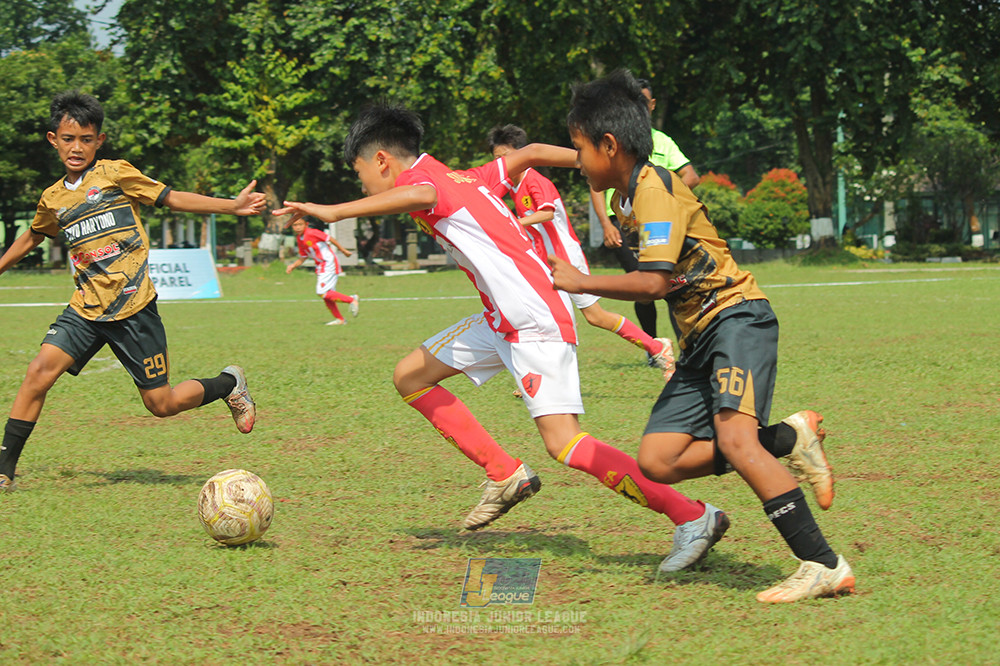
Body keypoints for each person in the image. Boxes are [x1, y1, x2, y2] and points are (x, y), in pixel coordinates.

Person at [273, 104, 730, 573]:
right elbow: (527, 153)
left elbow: (417, 195)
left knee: (565, 445)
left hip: (533, 320)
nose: (363, 183)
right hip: (500, 319)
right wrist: (595, 163)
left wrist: (332, 211)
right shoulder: (468, 178)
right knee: (410, 375)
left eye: (361, 172)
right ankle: (504, 473)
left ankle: (692, 516)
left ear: (384, 161)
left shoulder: (432, 186)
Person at [546, 69, 851, 603]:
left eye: (579, 148)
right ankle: (788, 439)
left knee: (735, 438)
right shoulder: (625, 197)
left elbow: (656, 281)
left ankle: (822, 563)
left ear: (610, 144)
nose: (576, 160)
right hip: (699, 339)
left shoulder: (654, 189)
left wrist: (580, 281)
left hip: (735, 315)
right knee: (658, 460)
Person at [0, 91, 262, 493]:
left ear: (98, 141)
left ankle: (229, 384)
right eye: (68, 138)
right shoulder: (53, 199)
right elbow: (32, 237)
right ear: (53, 139)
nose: (76, 147)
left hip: (133, 308)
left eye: (86, 139)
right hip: (85, 309)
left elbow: (171, 198)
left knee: (162, 405)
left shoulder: (115, 173)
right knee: (37, 374)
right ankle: (4, 470)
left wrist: (232, 206)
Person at [484, 124, 673, 377]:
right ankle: (540, 372)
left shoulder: (535, 180)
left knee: (595, 316)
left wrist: (515, 223)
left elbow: (547, 212)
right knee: (539, 315)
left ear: (521, 153)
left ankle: (656, 346)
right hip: (546, 262)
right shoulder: (513, 186)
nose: (501, 164)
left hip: (565, 259)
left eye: (504, 157)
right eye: (496, 159)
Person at [589, 78, 700, 349]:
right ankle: (653, 346)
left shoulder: (662, 141)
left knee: (670, 284)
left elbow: (691, 175)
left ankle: (684, 347)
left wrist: (662, 196)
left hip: (658, 219)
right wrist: (606, 224)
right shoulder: (612, 143)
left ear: (650, 105)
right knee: (644, 288)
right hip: (624, 223)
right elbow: (594, 185)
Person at [286, 216, 359, 326]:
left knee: (322, 292)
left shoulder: (312, 232)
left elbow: (329, 238)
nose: (297, 227)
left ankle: (351, 299)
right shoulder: (299, 239)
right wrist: (293, 266)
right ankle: (340, 320)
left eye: (300, 224)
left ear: (306, 224)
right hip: (321, 265)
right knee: (328, 295)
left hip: (328, 263)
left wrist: (343, 250)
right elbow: (303, 256)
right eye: (295, 225)